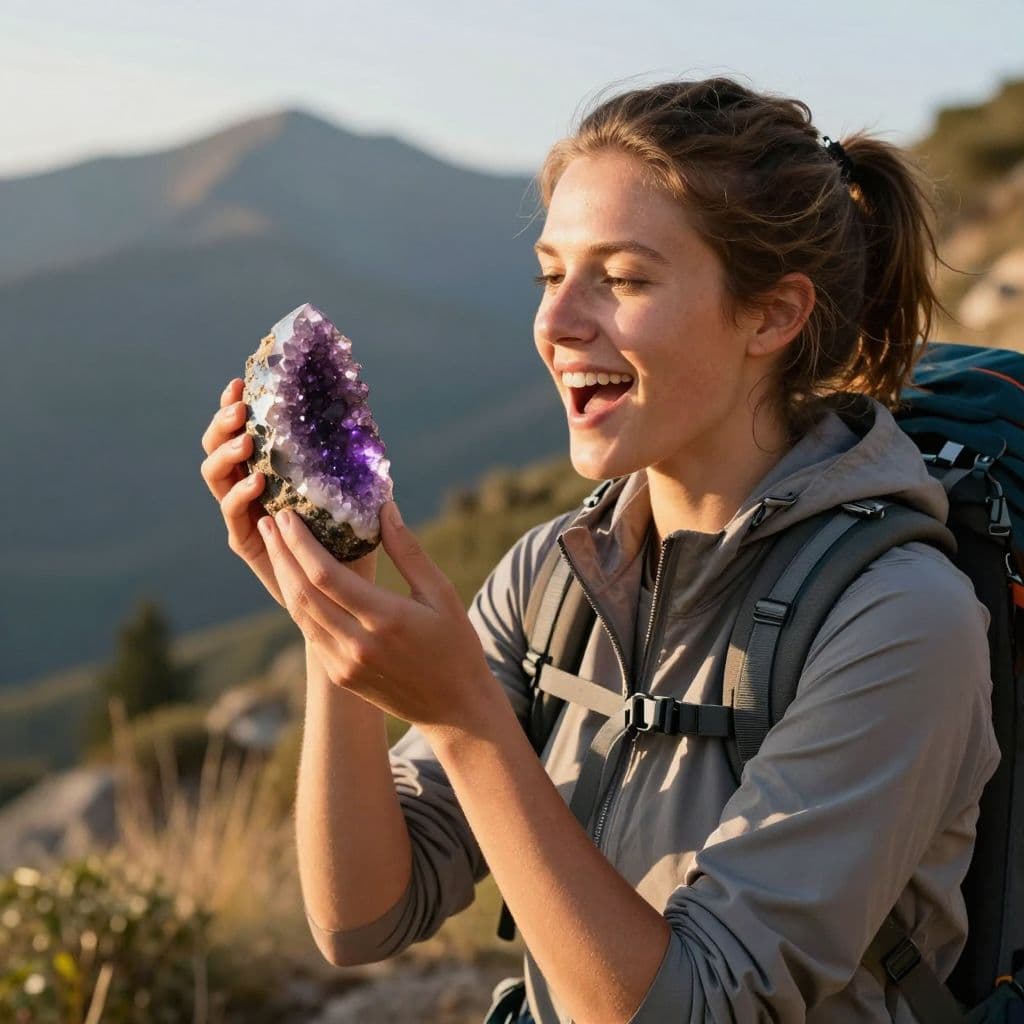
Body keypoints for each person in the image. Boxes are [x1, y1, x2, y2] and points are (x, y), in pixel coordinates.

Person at [199, 77, 999, 1023]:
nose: (558, 322)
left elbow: (697, 1008)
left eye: (621, 279)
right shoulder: (556, 572)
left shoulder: (901, 620)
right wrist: (332, 604)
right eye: (551, 273)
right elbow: (363, 918)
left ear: (773, 316)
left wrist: (465, 721)